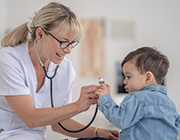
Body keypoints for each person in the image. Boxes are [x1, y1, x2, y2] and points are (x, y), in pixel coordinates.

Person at [0, 2, 119, 140]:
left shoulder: (65, 69)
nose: (68, 50)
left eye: (72, 43)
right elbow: (30, 118)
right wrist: (77, 106)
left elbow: (60, 123)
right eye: (63, 42)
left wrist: (98, 132)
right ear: (40, 34)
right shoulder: (9, 59)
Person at [96, 47, 180, 140]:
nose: (124, 81)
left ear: (148, 78)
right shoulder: (170, 103)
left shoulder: (138, 97)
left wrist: (105, 98)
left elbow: (120, 119)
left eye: (128, 76)